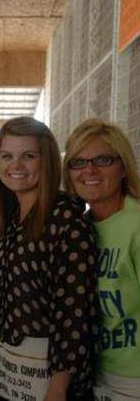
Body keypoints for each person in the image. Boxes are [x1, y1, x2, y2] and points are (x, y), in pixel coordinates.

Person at [0, 117, 97, 401]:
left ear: (46, 161)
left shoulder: (65, 218)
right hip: (11, 371)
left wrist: (58, 387)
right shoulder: (10, 218)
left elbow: (75, 309)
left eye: (28, 156)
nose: (16, 165)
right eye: (7, 156)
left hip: (51, 380)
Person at [63, 119, 140, 399]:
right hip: (92, 374)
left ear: (123, 167)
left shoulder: (136, 225)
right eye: (78, 163)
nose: (90, 170)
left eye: (103, 160)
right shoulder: (78, 229)